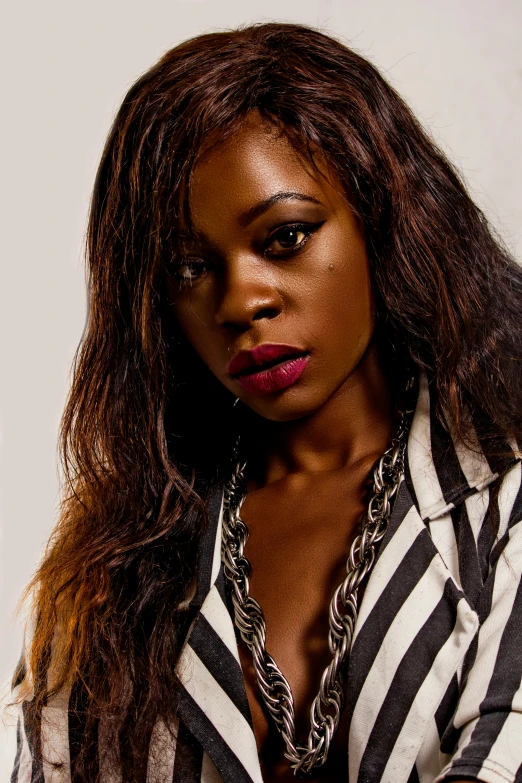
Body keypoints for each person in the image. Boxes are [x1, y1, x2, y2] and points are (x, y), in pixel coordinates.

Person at [10, 22, 522, 783]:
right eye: (189, 268)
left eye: (284, 237)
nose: (240, 300)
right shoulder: (109, 569)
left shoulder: (502, 505)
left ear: (382, 220)